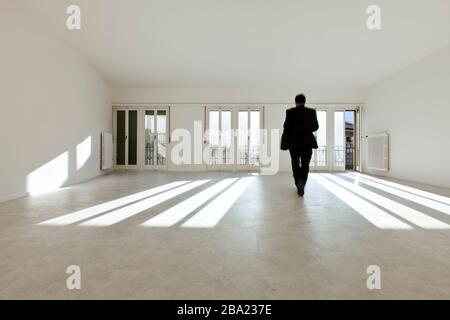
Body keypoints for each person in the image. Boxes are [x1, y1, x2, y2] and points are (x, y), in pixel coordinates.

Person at [281, 94, 319, 196]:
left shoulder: (290, 112)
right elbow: (315, 127)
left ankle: (298, 183)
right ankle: (302, 181)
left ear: (295, 101)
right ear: (305, 101)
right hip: (307, 142)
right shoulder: (311, 112)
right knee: (305, 164)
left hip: (293, 143)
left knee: (295, 163)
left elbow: (286, 127)